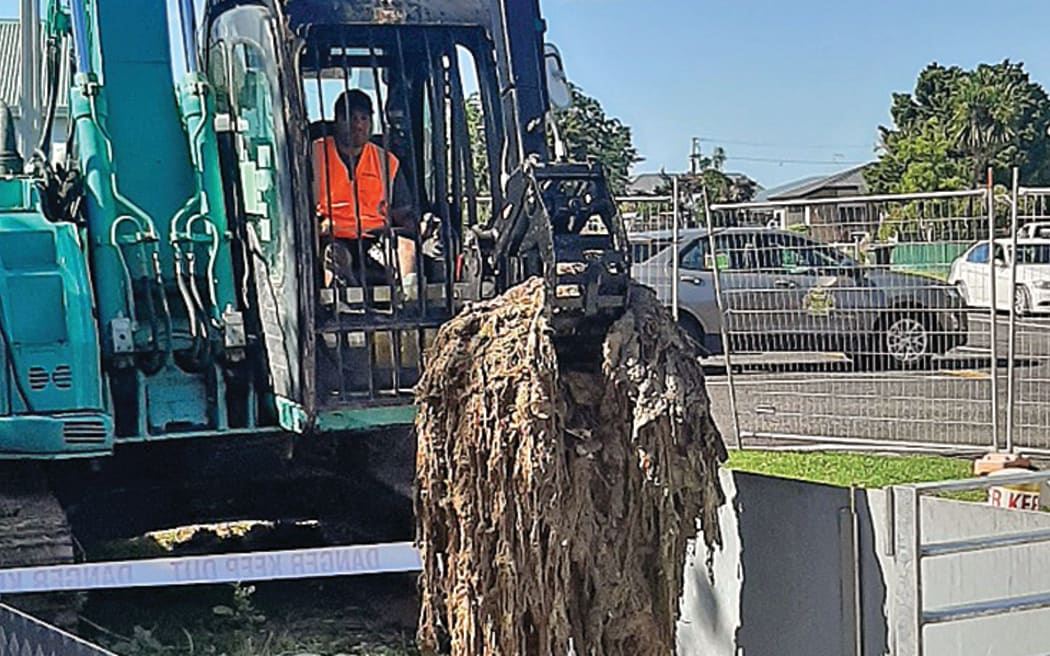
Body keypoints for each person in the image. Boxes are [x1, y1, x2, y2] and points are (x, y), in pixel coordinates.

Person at [313, 89, 418, 299]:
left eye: (364, 118)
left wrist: (418, 225)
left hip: (376, 236)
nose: (358, 125)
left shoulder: (386, 161)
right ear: (336, 121)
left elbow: (402, 212)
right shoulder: (313, 155)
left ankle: (410, 302)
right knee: (334, 257)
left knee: (408, 249)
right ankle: (342, 305)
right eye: (350, 118)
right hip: (333, 236)